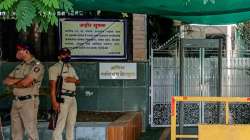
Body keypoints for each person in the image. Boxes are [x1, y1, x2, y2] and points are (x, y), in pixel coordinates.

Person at [3, 43, 44, 140]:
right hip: (16, 101)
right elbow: (6, 81)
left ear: (26, 51)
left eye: (19, 50)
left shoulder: (37, 65)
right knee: (16, 134)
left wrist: (15, 82)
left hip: (28, 102)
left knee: (31, 132)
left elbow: (26, 83)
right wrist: (21, 80)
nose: (17, 52)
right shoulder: (20, 66)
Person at [49, 48, 80, 140]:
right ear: (59, 56)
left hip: (72, 98)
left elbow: (78, 81)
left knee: (71, 124)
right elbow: (52, 87)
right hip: (62, 97)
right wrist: (54, 102)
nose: (66, 56)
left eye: (68, 54)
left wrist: (73, 80)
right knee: (60, 124)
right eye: (64, 54)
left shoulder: (71, 67)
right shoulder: (54, 68)